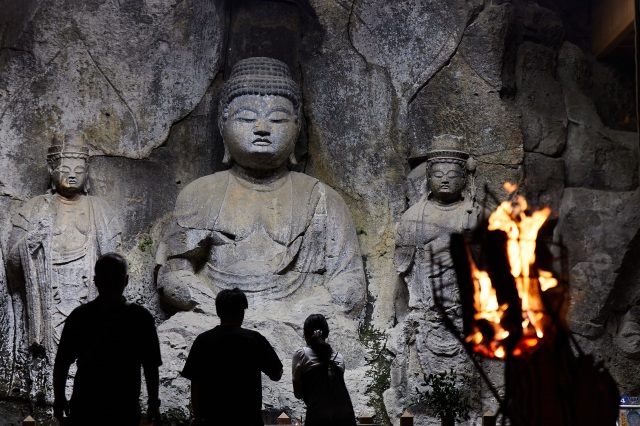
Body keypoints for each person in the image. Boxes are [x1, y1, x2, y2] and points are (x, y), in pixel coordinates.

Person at [6, 130, 121, 401]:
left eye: (79, 170)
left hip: (87, 292)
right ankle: (51, 397)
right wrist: (29, 243)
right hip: (49, 297)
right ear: (50, 169)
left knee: (92, 355)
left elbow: (115, 260)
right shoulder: (34, 208)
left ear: (87, 174)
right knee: (52, 362)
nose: (72, 175)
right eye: (64, 169)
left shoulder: (99, 209)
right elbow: (12, 265)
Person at [52, 253, 162, 426]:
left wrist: (59, 399)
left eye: (113, 275)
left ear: (95, 281)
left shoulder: (80, 317)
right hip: (123, 407)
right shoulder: (140, 318)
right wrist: (153, 404)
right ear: (126, 280)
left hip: (86, 406)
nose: (110, 280)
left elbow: (62, 363)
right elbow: (150, 365)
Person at [181, 288, 283, 426]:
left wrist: (198, 418)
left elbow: (195, 384)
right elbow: (276, 375)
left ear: (218, 312)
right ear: (242, 312)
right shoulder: (254, 339)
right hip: (248, 420)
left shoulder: (203, 340)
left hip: (213, 420)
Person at [291, 314, 356, 426]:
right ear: (327, 334)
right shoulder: (339, 358)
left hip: (318, 417)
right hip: (346, 417)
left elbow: (298, 394)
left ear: (306, 335)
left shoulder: (301, 354)